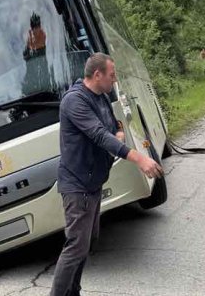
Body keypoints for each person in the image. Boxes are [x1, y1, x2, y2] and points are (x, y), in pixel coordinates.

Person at [50, 53, 163, 296]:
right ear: (97, 74)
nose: (115, 79)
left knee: (86, 243)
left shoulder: (101, 96)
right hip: (77, 185)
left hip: (93, 183)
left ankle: (73, 292)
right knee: (76, 246)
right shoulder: (74, 101)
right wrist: (139, 158)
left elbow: (114, 124)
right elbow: (99, 135)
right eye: (112, 75)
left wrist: (119, 133)